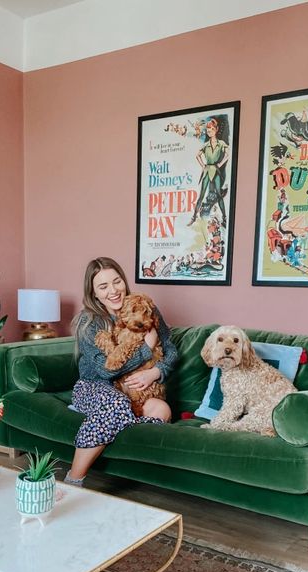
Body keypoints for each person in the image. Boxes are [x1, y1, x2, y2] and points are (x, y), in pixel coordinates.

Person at [65, 257, 177, 484]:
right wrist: (146, 349)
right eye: (103, 286)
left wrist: (155, 373)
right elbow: (105, 371)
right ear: (94, 293)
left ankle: (108, 419)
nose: (113, 291)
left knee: (162, 410)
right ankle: (73, 480)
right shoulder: (88, 322)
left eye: (117, 282)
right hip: (95, 387)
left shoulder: (146, 307)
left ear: (124, 281)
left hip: (136, 392)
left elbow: (170, 349)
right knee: (116, 404)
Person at [188, 117, 230, 228]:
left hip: (215, 170)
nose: (209, 131)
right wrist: (203, 166)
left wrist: (220, 164)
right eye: (208, 130)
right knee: (201, 195)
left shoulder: (221, 143)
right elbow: (197, 156)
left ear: (216, 129)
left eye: (211, 129)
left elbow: (227, 154)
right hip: (207, 171)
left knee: (219, 195)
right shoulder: (206, 145)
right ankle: (194, 217)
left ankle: (224, 218)